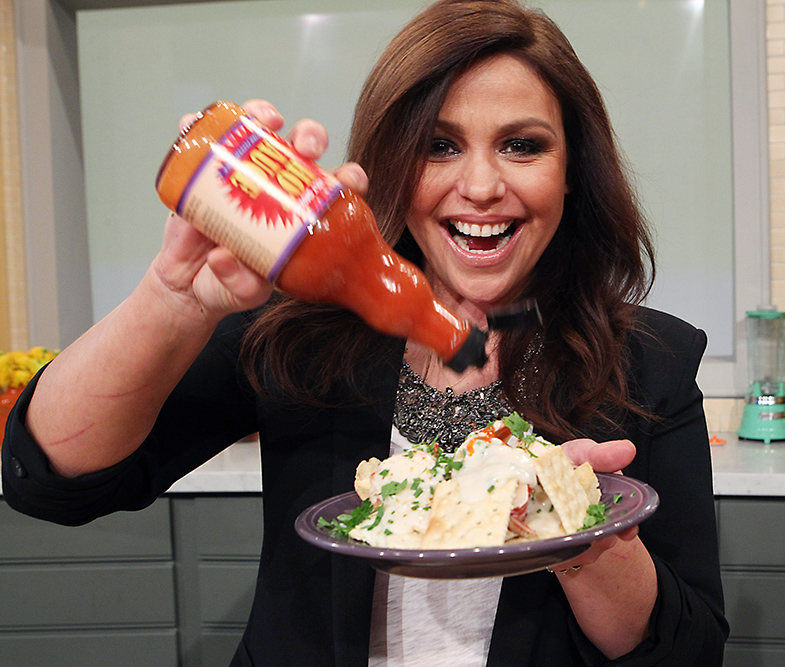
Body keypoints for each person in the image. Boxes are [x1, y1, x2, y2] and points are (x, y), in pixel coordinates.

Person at [1, 0, 728, 664]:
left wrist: (581, 531)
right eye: (440, 146)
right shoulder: (301, 335)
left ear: (571, 171)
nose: (479, 187)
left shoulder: (650, 363)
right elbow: (49, 480)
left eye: (522, 145)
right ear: (389, 164)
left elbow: (688, 650)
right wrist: (174, 300)